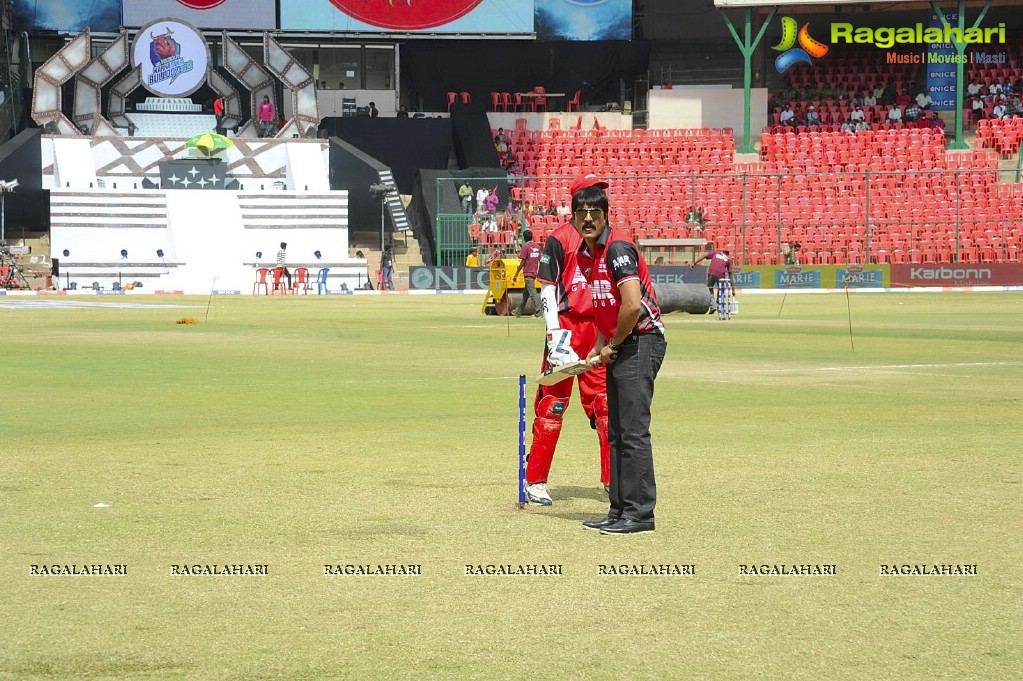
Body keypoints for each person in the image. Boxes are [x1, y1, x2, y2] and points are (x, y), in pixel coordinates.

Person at [572, 178, 666, 535]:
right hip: (621, 342)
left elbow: (630, 304)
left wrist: (612, 343)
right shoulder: (588, 255)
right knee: (616, 432)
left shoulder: (617, 247)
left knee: (633, 432)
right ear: (573, 219)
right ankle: (618, 510)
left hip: (641, 340)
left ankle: (640, 514)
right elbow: (605, 307)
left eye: (596, 212)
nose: (589, 219)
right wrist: (599, 345)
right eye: (581, 213)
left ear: (606, 215)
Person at [523, 173, 613, 507]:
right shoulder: (559, 239)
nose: (596, 204)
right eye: (590, 198)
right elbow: (546, 286)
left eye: (599, 198)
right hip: (566, 325)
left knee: (606, 406)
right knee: (552, 405)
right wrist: (554, 332)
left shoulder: (610, 240)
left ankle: (611, 481)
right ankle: (535, 481)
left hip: (598, 329)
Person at [691, 246, 732, 314]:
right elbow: (730, 274)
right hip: (721, 275)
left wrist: (694, 263)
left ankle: (713, 305)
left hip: (712, 273)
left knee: (709, 289)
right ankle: (720, 307)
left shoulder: (716, 252)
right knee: (721, 291)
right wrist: (732, 288)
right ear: (728, 254)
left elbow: (705, 255)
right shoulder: (729, 259)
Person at [512, 229, 542, 317]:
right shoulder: (537, 247)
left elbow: (523, 261)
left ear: (525, 238)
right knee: (526, 294)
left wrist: (516, 273)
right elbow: (541, 260)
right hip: (534, 272)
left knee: (533, 294)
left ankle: (539, 311)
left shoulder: (526, 247)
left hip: (528, 273)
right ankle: (518, 311)